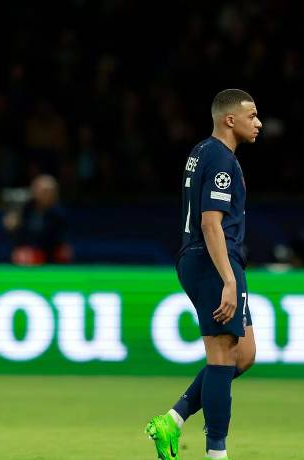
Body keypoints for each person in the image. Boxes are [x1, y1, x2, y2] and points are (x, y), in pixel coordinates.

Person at [145, 89, 262, 460]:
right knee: (222, 357)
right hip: (213, 258)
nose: (258, 123)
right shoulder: (222, 160)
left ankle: (174, 419)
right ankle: (217, 453)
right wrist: (228, 279)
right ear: (230, 119)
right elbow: (210, 222)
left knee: (243, 354)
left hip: (205, 258)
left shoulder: (201, 152)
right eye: (252, 116)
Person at [3, 174, 71, 264]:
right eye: (41, 190)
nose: (44, 194)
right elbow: (18, 234)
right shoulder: (26, 209)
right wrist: (12, 225)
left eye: (48, 191)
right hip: (29, 251)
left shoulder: (58, 213)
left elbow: (59, 240)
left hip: (49, 251)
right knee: (21, 255)